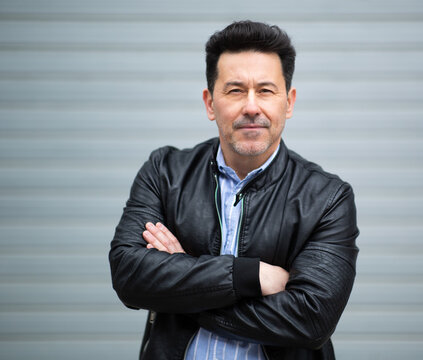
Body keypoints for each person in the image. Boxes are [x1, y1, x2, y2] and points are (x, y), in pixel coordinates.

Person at [109, 20, 359, 360]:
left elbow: (311, 320)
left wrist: (183, 286)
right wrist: (249, 275)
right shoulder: (166, 173)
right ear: (210, 102)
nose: (252, 107)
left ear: (289, 102)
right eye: (235, 90)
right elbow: (129, 273)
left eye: (266, 91)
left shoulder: (327, 198)